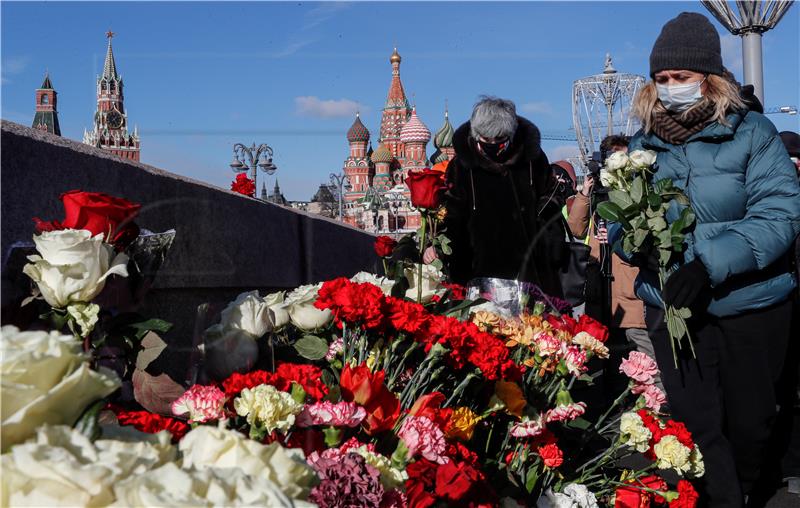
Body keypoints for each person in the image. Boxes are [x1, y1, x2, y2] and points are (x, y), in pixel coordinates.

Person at [620, 12, 800, 506]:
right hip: (674, 310)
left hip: (750, 307)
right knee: (696, 428)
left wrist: (707, 264)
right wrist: (642, 247)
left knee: (750, 427)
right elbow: (619, 222)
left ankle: (742, 489)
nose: (671, 87)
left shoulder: (754, 133)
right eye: (662, 79)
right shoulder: (642, 146)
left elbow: (780, 213)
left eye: (682, 77)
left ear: (710, 78)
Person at [424, 96, 567, 297]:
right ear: (476, 136)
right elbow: (450, 211)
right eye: (486, 139)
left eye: (499, 139)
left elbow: (551, 194)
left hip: (529, 261)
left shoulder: (531, 158)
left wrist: (541, 224)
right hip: (476, 261)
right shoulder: (462, 166)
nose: (492, 144)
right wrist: (437, 242)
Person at [568, 136, 665, 393]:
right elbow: (576, 228)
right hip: (600, 286)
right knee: (603, 354)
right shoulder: (597, 194)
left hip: (629, 286)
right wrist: (585, 194)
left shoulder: (640, 190)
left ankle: (656, 404)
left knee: (641, 352)